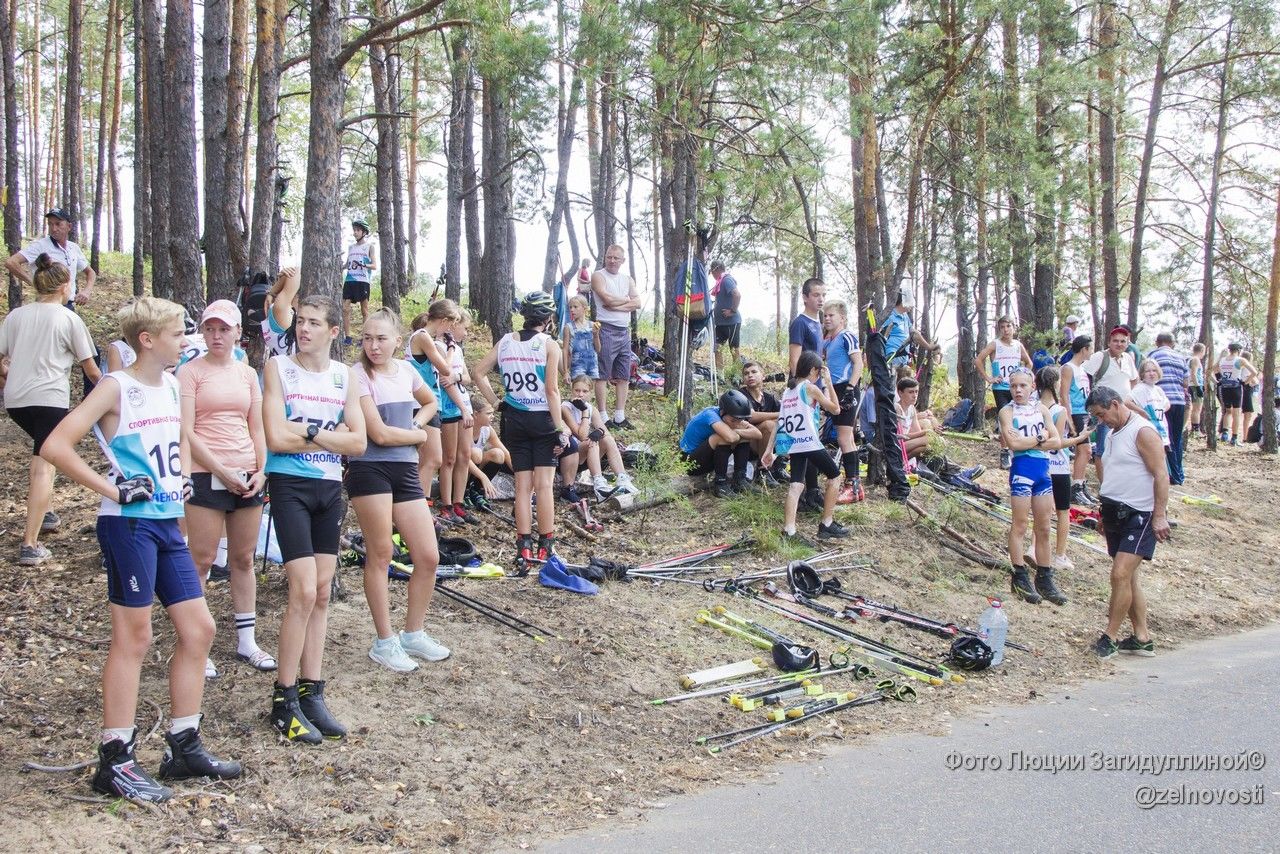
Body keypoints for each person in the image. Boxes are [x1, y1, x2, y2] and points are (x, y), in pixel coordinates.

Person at [40, 296, 240, 802]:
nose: (186, 339)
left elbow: (174, 445)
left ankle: (184, 744)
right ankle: (116, 758)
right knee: (134, 638)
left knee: (200, 628)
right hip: (128, 526)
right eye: (178, 333)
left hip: (168, 523)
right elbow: (56, 445)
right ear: (148, 340)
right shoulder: (116, 386)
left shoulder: (172, 384)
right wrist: (115, 489)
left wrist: (182, 482)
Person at [262, 295, 367, 744]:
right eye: (300, 322)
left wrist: (302, 429)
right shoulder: (278, 368)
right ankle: (283, 700)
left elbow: (360, 442)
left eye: (313, 323)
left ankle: (312, 691)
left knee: (322, 593)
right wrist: (324, 435)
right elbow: (274, 437)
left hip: (329, 489)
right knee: (302, 590)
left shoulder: (345, 376)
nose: (303, 330)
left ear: (333, 331)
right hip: (289, 486)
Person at [347, 309, 449, 673]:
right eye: (367, 338)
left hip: (404, 469)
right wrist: (421, 435)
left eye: (380, 338)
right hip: (369, 469)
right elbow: (379, 434)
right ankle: (384, 641)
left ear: (396, 340)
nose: (373, 346)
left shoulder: (406, 371)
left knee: (428, 556)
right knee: (380, 553)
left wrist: (418, 421)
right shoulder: (356, 376)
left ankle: (413, 633)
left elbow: (431, 401)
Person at [179, 300, 272, 678]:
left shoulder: (247, 373)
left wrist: (263, 469)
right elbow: (186, 429)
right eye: (210, 329)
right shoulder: (190, 372)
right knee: (200, 559)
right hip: (206, 471)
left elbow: (257, 426)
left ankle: (246, 640)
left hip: (247, 471)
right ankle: (195, 643)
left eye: (224, 329)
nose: (217, 336)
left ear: (237, 333)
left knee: (243, 559)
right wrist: (218, 469)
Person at [0, 255, 100, 565]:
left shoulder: (16, 316)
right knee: (43, 464)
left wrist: (9, 377)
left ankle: (44, 513)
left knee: (47, 453)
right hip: (49, 400)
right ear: (65, 286)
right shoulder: (68, 318)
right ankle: (30, 544)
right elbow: (92, 370)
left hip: (16, 401)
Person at [473, 292, 569, 568]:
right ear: (549, 319)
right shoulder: (549, 344)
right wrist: (560, 428)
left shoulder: (505, 341)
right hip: (542, 419)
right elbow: (552, 390)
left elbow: (478, 371)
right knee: (545, 486)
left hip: (514, 419)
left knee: (522, 488)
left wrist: (496, 402)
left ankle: (523, 548)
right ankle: (546, 548)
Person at [1086, 386, 1171, 659]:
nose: (1101, 421)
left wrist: (1159, 515)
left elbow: (1161, 474)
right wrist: (1103, 511)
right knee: (1129, 578)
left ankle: (1109, 636)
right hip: (1114, 511)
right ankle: (1142, 637)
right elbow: (1113, 475)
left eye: (1102, 414)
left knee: (1120, 574)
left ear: (1114, 404)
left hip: (1140, 514)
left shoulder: (1142, 431)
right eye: (1097, 417)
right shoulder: (1112, 433)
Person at [999, 368, 1084, 606]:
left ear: (1032, 387)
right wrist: (1039, 438)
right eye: (1014, 386)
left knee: (1044, 527)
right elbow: (1013, 442)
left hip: (1043, 472)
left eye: (1022, 386)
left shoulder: (1042, 409)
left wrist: (1035, 441)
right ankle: (1019, 575)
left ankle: (1045, 577)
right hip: (1022, 471)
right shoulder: (1007, 411)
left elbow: (1057, 441)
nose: (1017, 390)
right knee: (1020, 524)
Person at [776, 351, 848, 544]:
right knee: (835, 476)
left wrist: (769, 449)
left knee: (796, 485)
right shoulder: (809, 388)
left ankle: (789, 531)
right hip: (809, 441)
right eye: (819, 371)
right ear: (814, 370)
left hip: (793, 442)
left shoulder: (788, 391)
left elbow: (780, 421)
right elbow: (835, 409)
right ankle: (827, 523)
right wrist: (829, 383)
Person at [407, 300, 467, 525]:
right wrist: (451, 349)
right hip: (420, 403)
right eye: (450, 326)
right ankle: (420, 509)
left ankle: (422, 507)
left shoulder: (428, 339)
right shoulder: (422, 336)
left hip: (432, 402)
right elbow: (445, 369)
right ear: (444, 321)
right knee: (432, 458)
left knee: (430, 458)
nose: (449, 331)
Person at [559, 375, 639, 500]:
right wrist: (584, 412)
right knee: (591, 442)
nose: (580, 394)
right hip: (571, 455)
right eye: (577, 390)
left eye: (585, 391)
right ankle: (599, 484)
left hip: (588, 456)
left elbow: (606, 432)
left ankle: (622, 478)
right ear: (572, 390)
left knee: (608, 440)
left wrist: (599, 432)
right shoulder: (566, 407)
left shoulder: (592, 409)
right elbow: (581, 435)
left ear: (590, 393)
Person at [1037, 366, 1083, 573]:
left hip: (1039, 463)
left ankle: (1035, 548)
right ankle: (1060, 554)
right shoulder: (1059, 410)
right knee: (1062, 511)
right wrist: (1080, 438)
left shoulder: (1033, 407)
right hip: (1059, 466)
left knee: (1040, 510)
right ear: (1056, 384)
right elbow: (1059, 441)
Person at [591, 245, 641, 429]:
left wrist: (618, 305)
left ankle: (620, 416)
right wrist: (626, 300)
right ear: (605, 257)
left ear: (622, 261)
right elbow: (606, 299)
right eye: (609, 257)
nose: (612, 260)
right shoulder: (598, 276)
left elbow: (638, 302)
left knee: (623, 375)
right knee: (602, 374)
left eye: (616, 258)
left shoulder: (627, 279)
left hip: (623, 331)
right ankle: (604, 416)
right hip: (606, 329)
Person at [975, 316, 1033, 470]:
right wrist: (989, 378)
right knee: (1004, 419)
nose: (1006, 330)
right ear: (999, 329)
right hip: (1001, 387)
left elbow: (1029, 362)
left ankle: (1018, 449)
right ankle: (1004, 452)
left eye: (1008, 326)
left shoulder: (1018, 345)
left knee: (1017, 417)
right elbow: (979, 359)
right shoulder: (995, 344)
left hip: (1015, 387)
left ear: (1014, 327)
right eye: (1002, 327)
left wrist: (1025, 378)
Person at [678, 389, 761, 497]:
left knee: (744, 435)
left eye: (740, 420)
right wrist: (738, 431)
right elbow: (730, 438)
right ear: (722, 412)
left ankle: (740, 480)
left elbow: (758, 434)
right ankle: (720, 485)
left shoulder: (733, 417)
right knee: (721, 437)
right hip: (689, 463)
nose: (737, 423)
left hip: (708, 459)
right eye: (733, 420)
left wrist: (738, 430)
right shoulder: (710, 415)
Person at [5, 208, 95, 306]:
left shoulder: (73, 248)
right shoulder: (40, 246)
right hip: (46, 304)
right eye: (50, 224)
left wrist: (86, 291)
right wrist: (34, 283)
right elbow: (11, 262)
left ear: (69, 226)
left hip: (68, 304)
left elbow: (90, 272)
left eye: (58, 224)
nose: (53, 228)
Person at [1081, 326, 1138, 479]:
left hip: (1124, 411)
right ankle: (1105, 487)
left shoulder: (1128, 359)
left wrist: (1128, 398)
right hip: (1104, 411)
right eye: (1115, 341)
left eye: (1122, 341)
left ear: (1127, 343)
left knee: (1123, 448)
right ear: (1109, 342)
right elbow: (1084, 375)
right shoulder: (1100, 357)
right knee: (1103, 449)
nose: (1119, 344)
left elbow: (1134, 379)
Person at [822, 300, 864, 502]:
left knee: (844, 438)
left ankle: (852, 486)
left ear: (842, 318)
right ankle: (854, 486)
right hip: (834, 389)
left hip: (847, 388)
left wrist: (850, 388)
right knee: (845, 438)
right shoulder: (829, 340)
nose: (827, 319)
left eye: (831, 315)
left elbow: (859, 363)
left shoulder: (847, 336)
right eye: (825, 316)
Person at [1146, 333, 1189, 485]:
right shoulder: (1181, 357)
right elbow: (1186, 382)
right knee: (1176, 438)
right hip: (1179, 401)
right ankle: (1179, 474)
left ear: (1157, 342)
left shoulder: (1152, 355)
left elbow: (1146, 374)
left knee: (1164, 438)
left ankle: (1171, 474)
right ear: (1173, 343)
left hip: (1160, 401)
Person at [1059, 335, 1096, 506]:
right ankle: (1076, 488)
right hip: (1075, 413)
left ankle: (1080, 484)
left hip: (1084, 412)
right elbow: (1064, 394)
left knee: (1086, 451)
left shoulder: (1082, 369)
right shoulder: (1068, 368)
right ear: (1084, 349)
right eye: (1091, 348)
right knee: (1085, 450)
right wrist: (1069, 419)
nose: (1092, 352)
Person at [739, 361, 784, 486]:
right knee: (770, 425)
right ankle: (762, 471)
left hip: (768, 444)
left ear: (763, 375)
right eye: (746, 373)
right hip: (745, 443)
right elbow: (752, 417)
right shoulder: (741, 395)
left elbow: (786, 416)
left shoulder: (770, 398)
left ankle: (779, 466)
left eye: (754, 372)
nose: (750, 376)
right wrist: (780, 415)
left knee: (783, 424)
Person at [878, 288, 940, 374]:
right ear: (903, 301)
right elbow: (880, 336)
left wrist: (929, 347)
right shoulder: (889, 316)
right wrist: (929, 347)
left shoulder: (905, 316)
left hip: (903, 358)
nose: (912, 304)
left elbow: (914, 334)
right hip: (892, 357)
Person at [341, 219, 379, 345]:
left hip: (363, 281)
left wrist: (363, 264)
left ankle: (365, 338)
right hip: (350, 280)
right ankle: (347, 337)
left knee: (364, 310)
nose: (355, 233)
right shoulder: (351, 247)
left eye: (358, 230)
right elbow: (347, 264)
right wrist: (340, 266)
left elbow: (374, 265)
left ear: (364, 232)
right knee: (345, 308)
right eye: (354, 230)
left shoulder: (369, 247)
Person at [1214, 342, 1258, 446]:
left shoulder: (1223, 360)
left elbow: (1213, 370)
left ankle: (1224, 434)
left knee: (1227, 411)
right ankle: (1234, 438)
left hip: (1225, 387)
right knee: (1236, 413)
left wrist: (1218, 380)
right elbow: (1254, 372)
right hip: (1236, 388)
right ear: (1238, 350)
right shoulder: (1240, 360)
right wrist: (1245, 382)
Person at [1128, 359, 1171, 461]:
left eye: (1154, 370)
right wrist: (1142, 412)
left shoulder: (1158, 390)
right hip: (1149, 430)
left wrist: (1162, 409)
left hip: (1161, 430)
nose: (1151, 374)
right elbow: (1127, 402)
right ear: (1142, 374)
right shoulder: (1141, 388)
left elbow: (1167, 403)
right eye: (1148, 371)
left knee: (1162, 459)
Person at [788, 278, 824, 377]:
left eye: (823, 295)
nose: (821, 299)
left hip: (816, 382)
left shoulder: (819, 324)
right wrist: (801, 386)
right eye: (816, 295)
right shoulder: (800, 323)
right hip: (803, 385)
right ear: (805, 298)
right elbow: (794, 361)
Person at [263, 266, 302, 359]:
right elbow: (296, 273)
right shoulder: (282, 312)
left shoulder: (279, 313)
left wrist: (272, 292)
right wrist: (272, 292)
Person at [561, 295, 600, 386]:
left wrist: (596, 335)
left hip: (592, 365)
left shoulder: (593, 325)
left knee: (589, 393)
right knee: (578, 392)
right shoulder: (568, 327)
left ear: (584, 308)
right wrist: (566, 371)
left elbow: (598, 349)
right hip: (577, 366)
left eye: (575, 307)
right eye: (570, 307)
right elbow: (565, 350)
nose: (572, 310)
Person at [711, 261, 742, 372]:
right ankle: (720, 375)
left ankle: (737, 375)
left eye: (712, 271)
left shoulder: (727, 280)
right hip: (720, 323)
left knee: (734, 349)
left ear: (716, 269)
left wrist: (732, 311)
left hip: (731, 322)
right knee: (717, 348)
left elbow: (737, 294)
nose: (712, 274)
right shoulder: (720, 282)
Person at [1186, 342, 1207, 435]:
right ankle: (1195, 430)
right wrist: (1198, 387)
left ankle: (1195, 429)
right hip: (1195, 385)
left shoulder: (1190, 359)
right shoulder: (1195, 359)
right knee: (1197, 409)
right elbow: (1193, 374)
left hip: (1193, 385)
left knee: (1196, 408)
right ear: (1202, 350)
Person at [1241, 349, 1261, 443]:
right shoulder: (1247, 367)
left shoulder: (1239, 367)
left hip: (1241, 389)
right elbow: (1255, 381)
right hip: (1247, 390)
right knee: (1247, 415)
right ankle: (1245, 437)